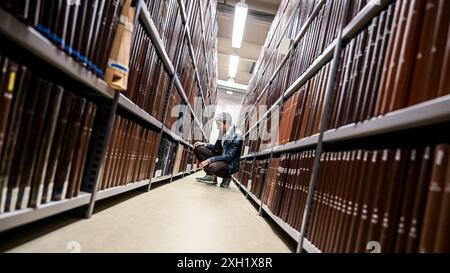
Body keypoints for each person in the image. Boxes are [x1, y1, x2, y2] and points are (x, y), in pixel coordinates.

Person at [193, 112, 243, 188]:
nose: (217, 127)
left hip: (228, 164)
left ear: (226, 123)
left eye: (218, 124)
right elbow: (217, 148)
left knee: (213, 167)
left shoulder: (237, 136)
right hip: (220, 157)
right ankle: (210, 176)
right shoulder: (222, 132)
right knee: (198, 148)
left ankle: (227, 177)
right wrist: (204, 144)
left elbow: (229, 157)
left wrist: (210, 160)